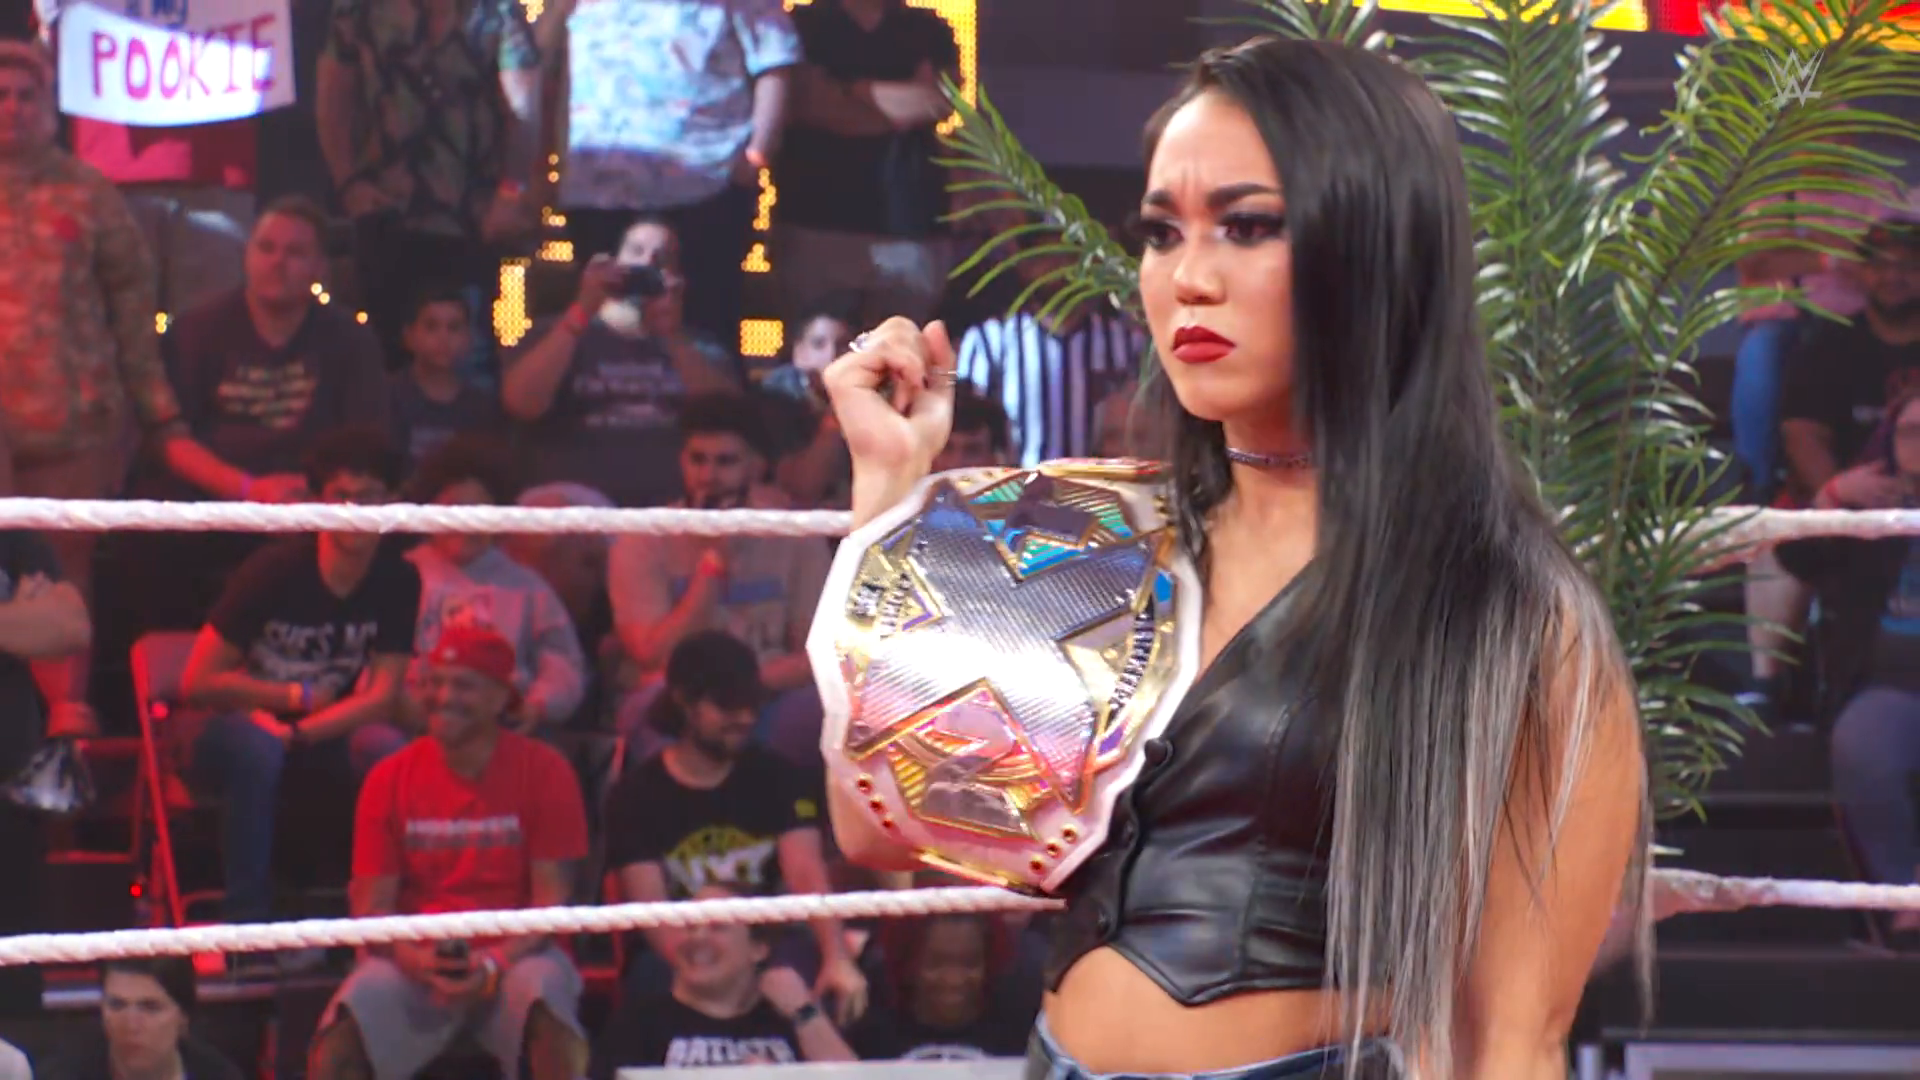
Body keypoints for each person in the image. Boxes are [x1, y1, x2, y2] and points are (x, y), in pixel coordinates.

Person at [816, 36, 1646, 1079]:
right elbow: (879, 825)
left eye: (1247, 226)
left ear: (1377, 247)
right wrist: (892, 493)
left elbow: (1515, 1040)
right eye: (1162, 232)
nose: (1188, 279)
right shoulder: (1094, 534)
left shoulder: (1506, 607)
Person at [309, 625, 591, 1080]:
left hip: (518, 957)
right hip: (412, 961)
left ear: (500, 698)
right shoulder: (388, 778)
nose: (443, 697)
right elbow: (371, 910)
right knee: (339, 1043)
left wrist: (494, 962)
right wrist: (418, 961)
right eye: (434, 683)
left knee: (551, 1021)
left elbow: (551, 906)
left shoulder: (546, 771)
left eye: (463, 686)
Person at [179, 429, 417, 928]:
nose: (354, 511)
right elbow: (197, 682)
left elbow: (382, 696)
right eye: (340, 497)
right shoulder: (275, 570)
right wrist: (294, 696)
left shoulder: (398, 579)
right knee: (258, 749)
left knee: (388, 749)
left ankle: (382, 915)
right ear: (318, 503)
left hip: (319, 727)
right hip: (230, 724)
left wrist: (300, 731)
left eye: (369, 497)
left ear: (393, 503)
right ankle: (248, 925)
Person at [590, 882, 857, 1075]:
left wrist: (805, 1013)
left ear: (758, 948)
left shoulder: (788, 1021)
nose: (698, 938)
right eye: (690, 926)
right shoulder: (638, 1025)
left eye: (717, 927)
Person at [848, 913, 1034, 1061]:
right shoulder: (872, 1037)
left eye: (970, 963)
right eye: (935, 964)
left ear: (989, 963)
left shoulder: (1021, 1035)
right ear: (908, 964)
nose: (954, 980)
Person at [38, 957, 246, 1080]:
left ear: (183, 1017)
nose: (131, 1024)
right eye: (117, 1005)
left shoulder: (219, 1076)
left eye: (150, 1007)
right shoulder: (63, 1075)